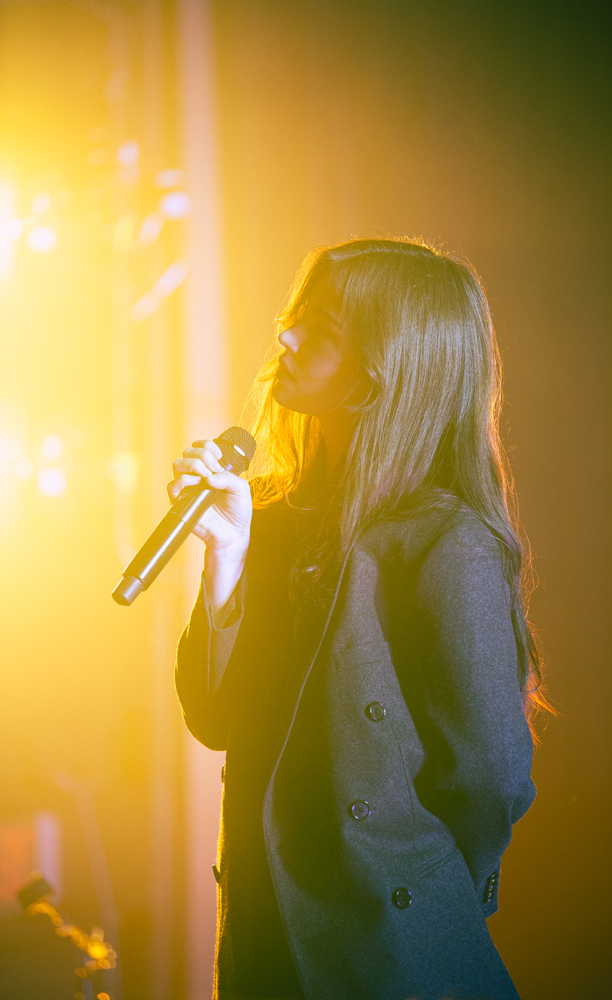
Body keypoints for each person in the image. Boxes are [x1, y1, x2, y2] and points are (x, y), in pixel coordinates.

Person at [172, 238, 548, 1000]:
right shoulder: (270, 516)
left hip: (391, 951)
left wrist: (414, 884)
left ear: (384, 363)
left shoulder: (445, 542)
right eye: (291, 314)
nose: (284, 337)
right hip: (264, 935)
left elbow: (489, 777)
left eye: (319, 324)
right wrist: (228, 561)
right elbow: (214, 719)